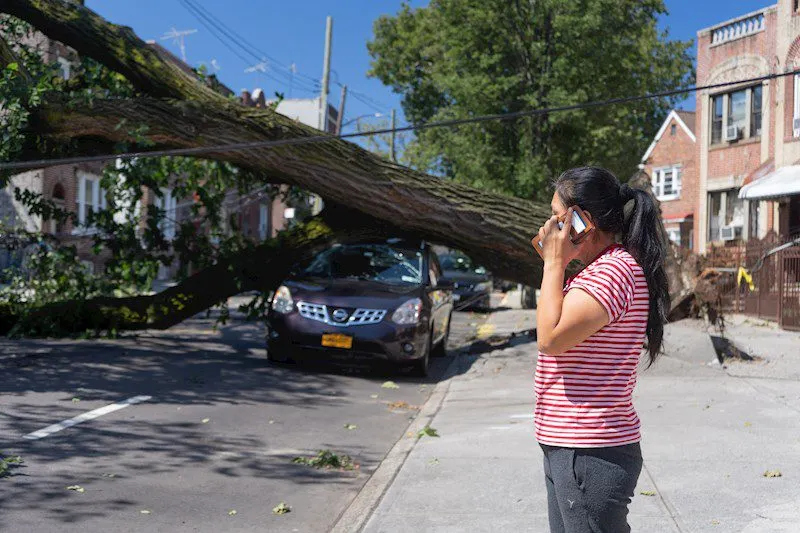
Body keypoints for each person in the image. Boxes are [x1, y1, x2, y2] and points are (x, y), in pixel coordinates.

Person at [533, 166, 670, 533]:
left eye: (558, 217)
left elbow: (550, 338)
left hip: (590, 449)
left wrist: (553, 263)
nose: (551, 227)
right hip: (573, 445)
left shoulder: (613, 272)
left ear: (583, 221)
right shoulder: (600, 270)